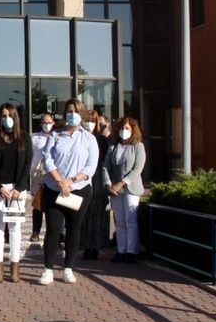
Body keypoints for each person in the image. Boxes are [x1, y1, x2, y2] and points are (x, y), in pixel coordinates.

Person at [38, 99, 99, 285]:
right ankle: (48, 269)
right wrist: (59, 181)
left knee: (74, 228)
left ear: (82, 114)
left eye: (76, 111)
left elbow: (91, 167)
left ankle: (68, 268)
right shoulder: (55, 135)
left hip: (78, 190)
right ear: (65, 114)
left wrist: (71, 181)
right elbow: (47, 158)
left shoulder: (89, 138)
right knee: (53, 229)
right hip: (54, 188)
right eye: (69, 111)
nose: (72, 114)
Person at [0, 103, 32, 283]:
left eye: (9, 115)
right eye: (3, 116)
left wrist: (19, 188)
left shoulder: (24, 138)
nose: (6, 119)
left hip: (16, 190)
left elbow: (27, 164)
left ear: (15, 117)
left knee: (15, 228)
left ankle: (14, 266)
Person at [104, 117, 147, 264]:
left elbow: (137, 169)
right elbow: (106, 166)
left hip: (131, 188)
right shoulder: (113, 147)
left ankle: (131, 251)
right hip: (115, 189)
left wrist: (121, 183)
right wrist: (108, 184)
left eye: (127, 128)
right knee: (120, 221)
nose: (124, 131)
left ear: (133, 130)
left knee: (130, 221)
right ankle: (121, 250)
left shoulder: (138, 147)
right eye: (122, 128)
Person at [80, 110, 111, 260]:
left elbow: (106, 162)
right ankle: (85, 246)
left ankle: (96, 247)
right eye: (87, 120)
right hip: (82, 178)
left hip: (98, 179)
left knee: (98, 215)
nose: (89, 123)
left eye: (92, 120)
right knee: (84, 214)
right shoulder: (80, 137)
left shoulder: (102, 140)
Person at [29, 113, 56, 242]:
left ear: (53, 123)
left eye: (49, 122)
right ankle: (36, 231)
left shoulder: (58, 137)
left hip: (54, 174)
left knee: (54, 205)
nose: (47, 125)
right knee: (38, 204)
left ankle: (56, 233)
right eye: (44, 123)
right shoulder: (34, 139)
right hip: (38, 174)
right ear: (41, 124)